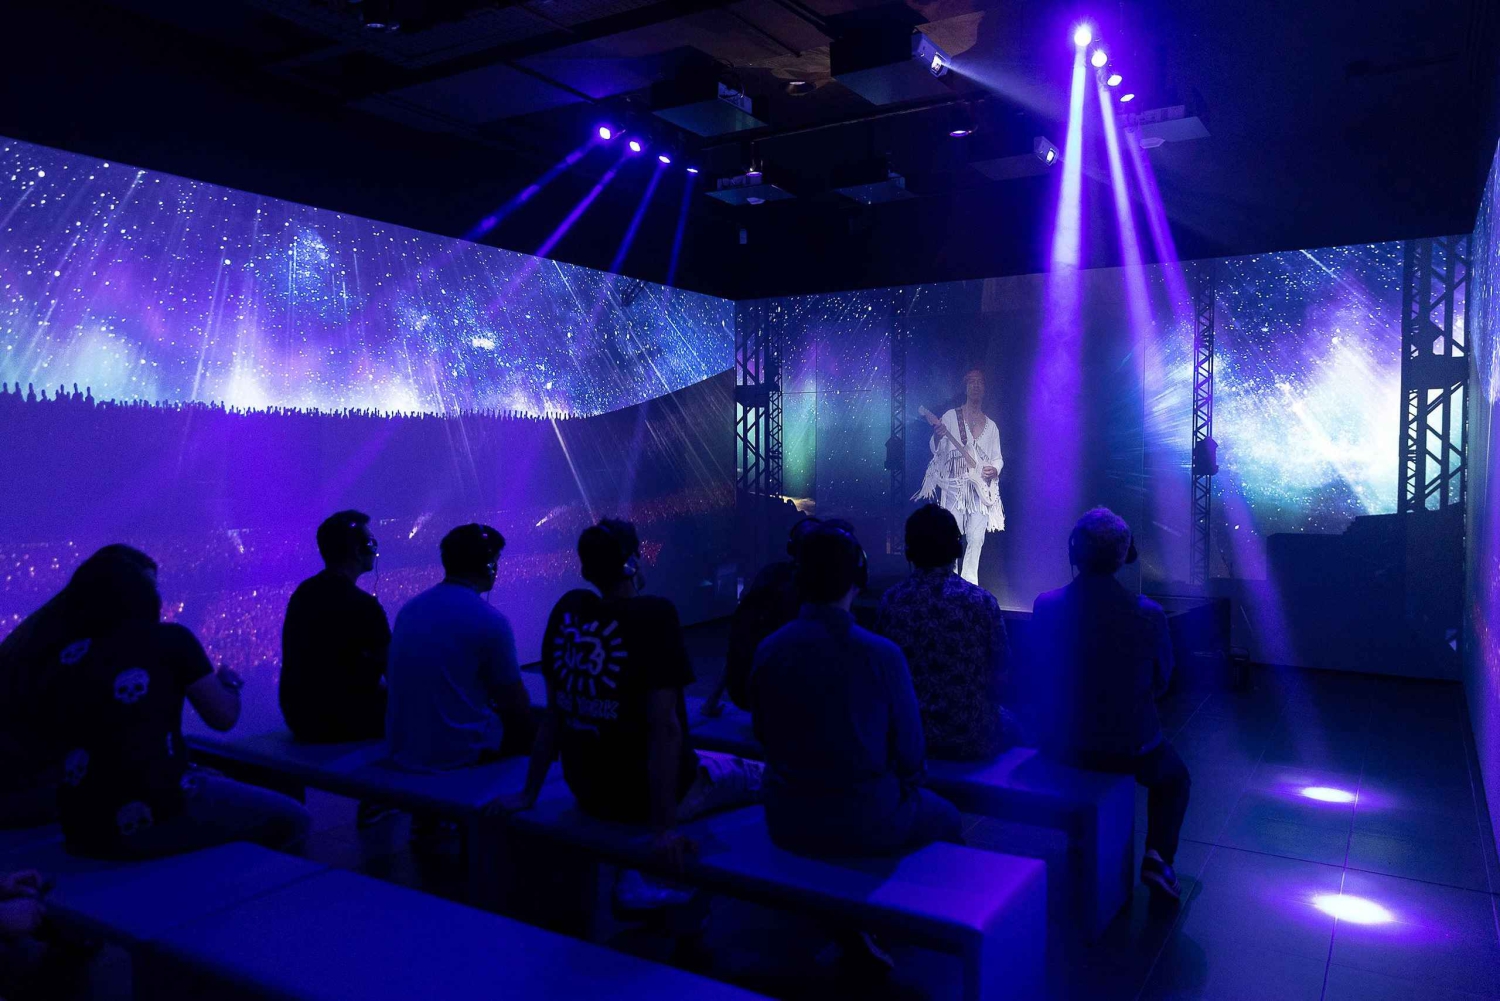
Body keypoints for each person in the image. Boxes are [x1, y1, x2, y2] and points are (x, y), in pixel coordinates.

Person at [498, 519, 762, 874]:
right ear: (631, 563)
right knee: (770, 775)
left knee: (708, 757)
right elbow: (664, 730)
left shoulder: (567, 611)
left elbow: (555, 713)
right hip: (642, 801)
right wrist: (664, 829)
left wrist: (528, 793)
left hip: (589, 791)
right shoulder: (655, 616)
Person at [41, 550, 309, 859]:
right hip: (161, 807)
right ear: (145, 596)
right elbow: (223, 717)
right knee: (295, 820)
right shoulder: (171, 640)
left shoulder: (64, 656)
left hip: (81, 823)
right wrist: (231, 683)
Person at [750, 523, 962, 857]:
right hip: (867, 817)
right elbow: (911, 753)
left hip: (786, 817)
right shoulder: (882, 655)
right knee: (949, 819)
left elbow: (763, 733)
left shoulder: (768, 650)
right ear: (858, 576)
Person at [1031, 508, 1190, 902]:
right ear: (1126, 555)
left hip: (1059, 745)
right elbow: (1163, 681)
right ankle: (1157, 857)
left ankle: (1081, 844)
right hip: (1129, 749)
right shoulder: (1149, 615)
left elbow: (1036, 674)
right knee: (1175, 780)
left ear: (1074, 553)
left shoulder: (1046, 606)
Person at [0, 546, 160, 829]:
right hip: (31, 792)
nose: (154, 602)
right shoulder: (74, 650)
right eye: (144, 591)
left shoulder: (45, 630)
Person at [385, 524, 535, 772]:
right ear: (489, 565)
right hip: (460, 754)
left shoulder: (409, 610)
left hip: (404, 750)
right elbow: (515, 704)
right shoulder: (490, 620)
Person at [876, 504, 1020, 761]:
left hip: (906, 738)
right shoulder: (982, 601)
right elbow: (1002, 674)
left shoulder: (891, 601)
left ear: (909, 551)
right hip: (973, 738)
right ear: (957, 549)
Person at [702, 515, 838, 716]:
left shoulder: (770, 576)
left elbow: (742, 638)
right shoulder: (824, 589)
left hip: (754, 696)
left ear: (791, 548)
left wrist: (711, 701)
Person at [280, 510, 390, 743]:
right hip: (345, 720)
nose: (375, 548)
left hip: (300, 717)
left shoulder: (303, 593)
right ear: (358, 550)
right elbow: (393, 668)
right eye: (370, 542)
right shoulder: (364, 606)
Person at [914, 368, 1003, 585]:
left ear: (984, 388)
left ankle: (970, 584)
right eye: (971, 382)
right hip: (955, 486)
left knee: (976, 538)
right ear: (965, 387)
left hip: (980, 490)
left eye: (979, 382)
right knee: (950, 535)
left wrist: (995, 469)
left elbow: (998, 458)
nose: (975, 386)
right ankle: (950, 581)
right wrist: (936, 436)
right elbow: (937, 450)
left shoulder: (991, 426)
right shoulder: (950, 417)